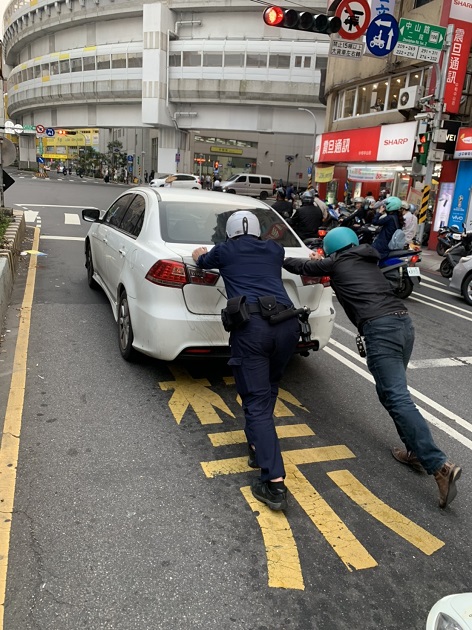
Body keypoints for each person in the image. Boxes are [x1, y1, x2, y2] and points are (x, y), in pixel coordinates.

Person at [283, 227, 461, 509]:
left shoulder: (338, 261)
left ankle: (439, 465)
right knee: (391, 393)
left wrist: (277, 255)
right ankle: (416, 451)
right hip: (403, 324)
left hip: (380, 329)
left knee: (396, 396)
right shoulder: (367, 258)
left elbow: (304, 266)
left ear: (332, 249)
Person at [192, 211, 301, 511]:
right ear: (257, 232)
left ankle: (274, 483)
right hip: (287, 326)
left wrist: (200, 252)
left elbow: (201, 260)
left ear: (229, 233)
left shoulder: (224, 251)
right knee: (269, 387)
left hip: (253, 329)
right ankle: (257, 446)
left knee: (254, 400)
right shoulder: (274, 249)